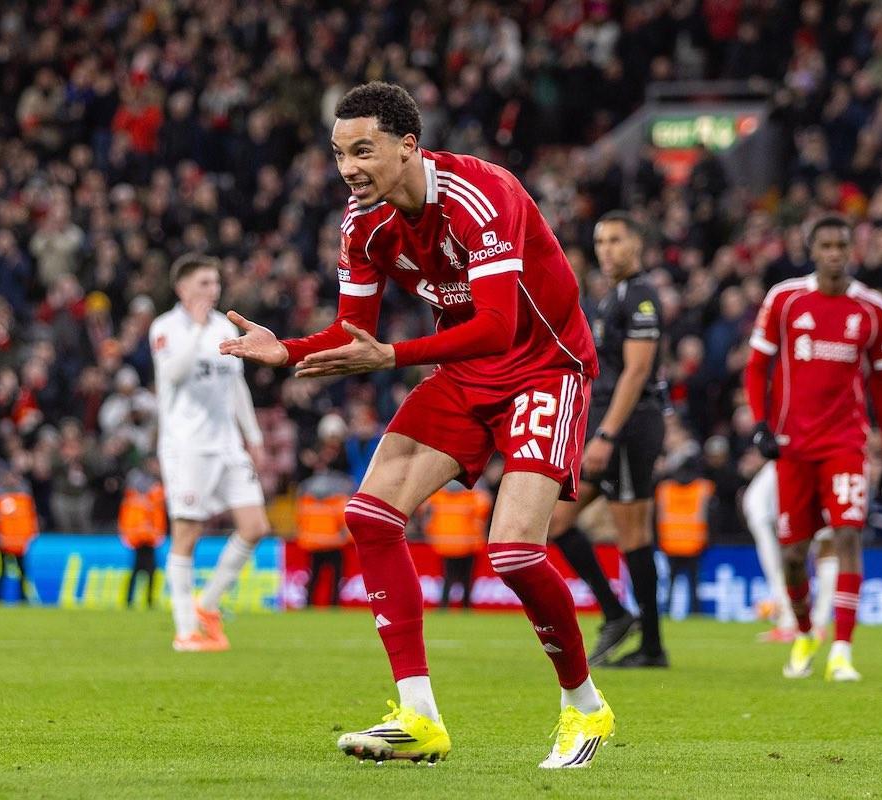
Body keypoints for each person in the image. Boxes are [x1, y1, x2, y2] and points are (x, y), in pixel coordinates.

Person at [221, 82, 613, 768]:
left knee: (514, 551)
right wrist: (287, 349)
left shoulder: (481, 194)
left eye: (363, 151)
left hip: (545, 366)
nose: (348, 168)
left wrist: (394, 356)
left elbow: (497, 326)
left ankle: (585, 707)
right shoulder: (361, 223)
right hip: (466, 374)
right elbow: (352, 331)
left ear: (408, 145)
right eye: (339, 153)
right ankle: (418, 716)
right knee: (369, 516)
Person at [744, 215, 882, 682]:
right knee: (795, 553)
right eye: (826, 246)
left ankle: (843, 652)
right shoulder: (785, 300)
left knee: (848, 535)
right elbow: (756, 366)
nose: (834, 254)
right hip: (792, 446)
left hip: (846, 443)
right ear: (811, 250)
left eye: (841, 246)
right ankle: (805, 632)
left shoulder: (873, 309)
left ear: (852, 250)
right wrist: (760, 424)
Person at [549, 211, 668, 668]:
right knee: (557, 522)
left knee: (633, 532)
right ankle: (617, 614)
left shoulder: (640, 297)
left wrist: (605, 434)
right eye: (601, 242)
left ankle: (652, 646)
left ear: (636, 244)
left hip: (628, 427)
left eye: (616, 240)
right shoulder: (609, 299)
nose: (607, 250)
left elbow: (637, 372)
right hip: (606, 427)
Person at [149, 253, 271, 652]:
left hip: (228, 444)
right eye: (204, 283)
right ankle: (185, 631)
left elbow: (236, 386)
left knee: (255, 526)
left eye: (216, 282)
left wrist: (253, 437)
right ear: (182, 288)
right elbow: (172, 374)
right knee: (187, 533)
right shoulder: (165, 328)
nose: (213, 289)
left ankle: (208, 603)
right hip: (187, 446)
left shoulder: (224, 326)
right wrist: (198, 330)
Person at [741, 460, 838, 642]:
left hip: (801, 461)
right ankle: (811, 621)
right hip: (823, 461)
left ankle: (793, 619)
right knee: (825, 540)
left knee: (817, 541)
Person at [654, 460, 713, 617]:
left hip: (670, 544)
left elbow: (656, 516)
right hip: (694, 544)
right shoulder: (703, 488)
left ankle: (667, 611)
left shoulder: (664, 489)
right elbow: (712, 516)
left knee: (671, 582)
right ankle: (695, 612)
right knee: (693, 583)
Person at [422, 479, 491, 610]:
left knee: (448, 578)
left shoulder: (438, 497)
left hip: (446, 545)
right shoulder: (472, 497)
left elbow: (423, 509)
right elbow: (485, 505)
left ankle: (444, 605)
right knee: (466, 579)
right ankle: (465, 605)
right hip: (467, 545)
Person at [0, 470, 40, 603]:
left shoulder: (24, 496)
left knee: (22, 571)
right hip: (4, 542)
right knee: (2, 571)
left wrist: (31, 535)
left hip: (19, 543)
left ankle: (22, 598)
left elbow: (30, 518)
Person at [295, 470, 354, 608]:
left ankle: (309, 604)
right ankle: (333, 604)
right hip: (333, 547)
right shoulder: (338, 502)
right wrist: (342, 539)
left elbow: (300, 527)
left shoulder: (307, 502)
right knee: (333, 578)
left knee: (315, 578)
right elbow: (347, 528)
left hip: (318, 548)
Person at [118, 455, 167, 609]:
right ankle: (135, 600)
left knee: (144, 570)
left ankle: (142, 600)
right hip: (139, 537)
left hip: (149, 537)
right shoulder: (147, 490)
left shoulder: (157, 488)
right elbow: (130, 513)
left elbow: (158, 514)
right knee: (142, 569)